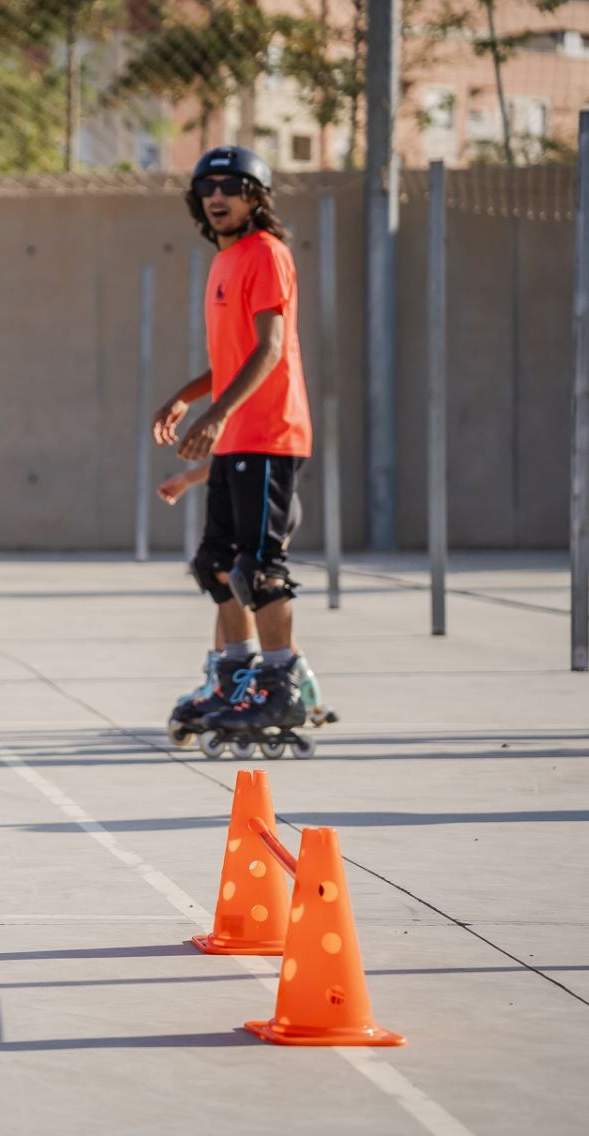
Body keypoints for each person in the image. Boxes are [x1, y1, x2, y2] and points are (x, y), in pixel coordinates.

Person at [150, 146, 318, 756]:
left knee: (260, 570)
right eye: (207, 188)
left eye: (231, 186)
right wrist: (186, 397)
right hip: (238, 433)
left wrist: (215, 414)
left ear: (256, 196)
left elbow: (269, 351)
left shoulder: (267, 255)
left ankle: (279, 681)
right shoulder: (225, 261)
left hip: (268, 432)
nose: (217, 196)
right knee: (216, 565)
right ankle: (236, 675)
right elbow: (228, 360)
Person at [156, 463, 334, 739]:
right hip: (248, 487)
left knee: (252, 576)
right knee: (223, 574)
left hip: (268, 491)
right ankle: (242, 678)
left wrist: (187, 477)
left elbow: (239, 448)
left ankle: (279, 682)